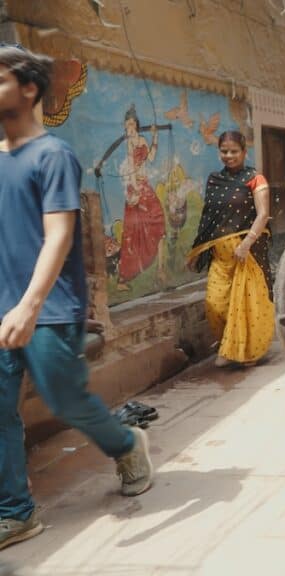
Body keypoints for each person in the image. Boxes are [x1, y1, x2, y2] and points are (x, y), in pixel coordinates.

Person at [0, 45, 153, 550]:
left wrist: (28, 304)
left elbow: (58, 236)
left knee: (67, 399)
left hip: (48, 309)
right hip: (3, 308)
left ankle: (127, 444)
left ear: (28, 88)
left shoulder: (53, 156)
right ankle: (15, 513)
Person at [186, 131, 274, 368]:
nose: (229, 156)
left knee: (248, 307)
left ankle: (246, 353)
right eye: (224, 151)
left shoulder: (256, 179)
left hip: (247, 255)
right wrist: (199, 250)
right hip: (220, 256)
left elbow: (263, 214)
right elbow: (208, 219)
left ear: (244, 152)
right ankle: (232, 345)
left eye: (234, 151)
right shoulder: (215, 179)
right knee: (215, 305)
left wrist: (247, 244)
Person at [116, 104, 167, 291]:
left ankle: (161, 270)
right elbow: (130, 168)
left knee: (159, 220)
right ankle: (123, 279)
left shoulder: (142, 140)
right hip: (135, 187)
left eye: (132, 124)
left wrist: (155, 136)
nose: (129, 127)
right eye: (127, 124)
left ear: (136, 126)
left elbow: (151, 158)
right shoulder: (129, 143)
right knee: (131, 233)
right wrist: (135, 191)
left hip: (144, 185)